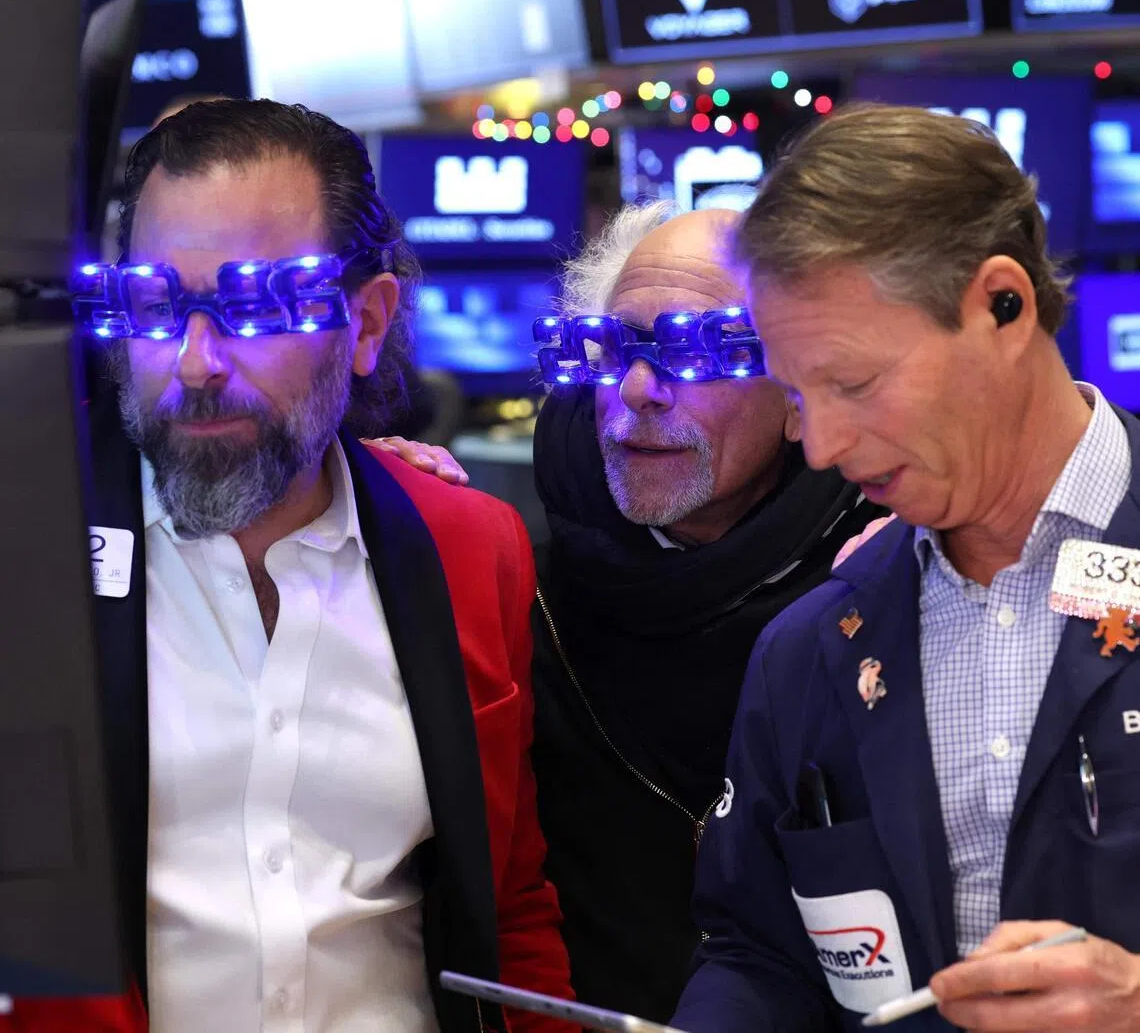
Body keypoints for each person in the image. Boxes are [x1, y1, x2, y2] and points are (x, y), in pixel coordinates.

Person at [19, 99, 576, 1033]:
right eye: (156, 305)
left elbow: (508, 900)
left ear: (364, 323)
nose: (195, 361)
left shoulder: (468, 546)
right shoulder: (27, 542)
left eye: (254, 304)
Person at [672, 102, 1140, 1033]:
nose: (823, 446)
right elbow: (758, 954)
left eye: (853, 383)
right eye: (798, 396)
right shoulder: (809, 648)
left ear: (1002, 305)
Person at [523, 201, 884, 1022]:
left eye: (695, 350)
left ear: (802, 391)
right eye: (616, 349)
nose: (640, 390)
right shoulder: (520, 594)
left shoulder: (882, 581)